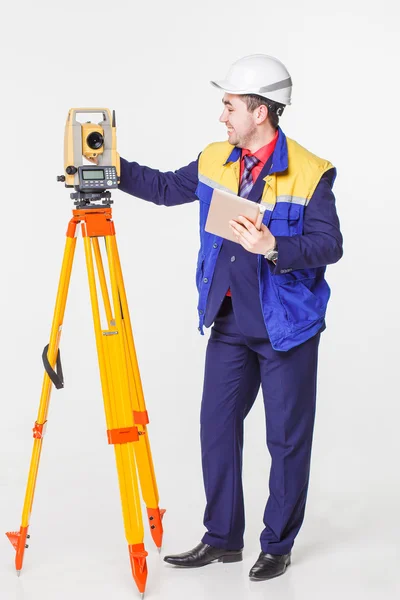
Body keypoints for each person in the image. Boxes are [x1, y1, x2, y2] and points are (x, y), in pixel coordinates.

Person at [118, 54, 343, 581]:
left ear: (260, 111)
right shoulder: (216, 158)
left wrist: (273, 246)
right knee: (216, 427)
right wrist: (110, 168)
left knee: (285, 440)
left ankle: (277, 544)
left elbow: (329, 244)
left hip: (285, 327)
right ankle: (222, 537)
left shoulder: (310, 172)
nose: (222, 116)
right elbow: (165, 188)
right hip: (229, 322)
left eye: (229, 105)